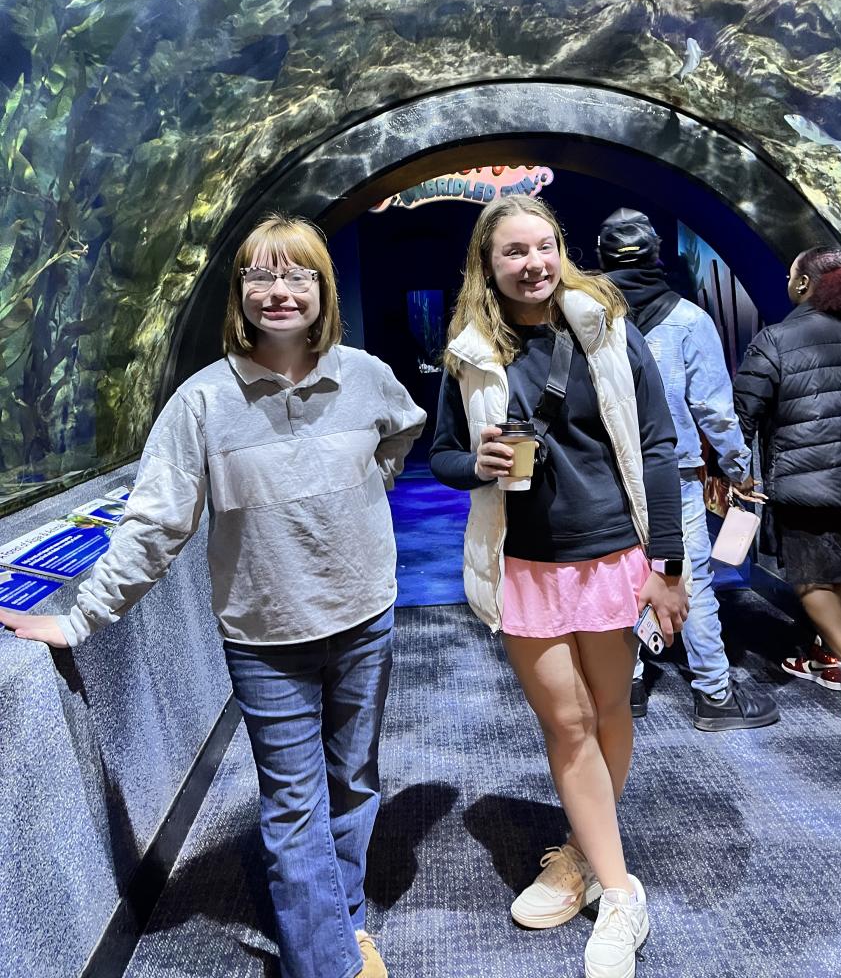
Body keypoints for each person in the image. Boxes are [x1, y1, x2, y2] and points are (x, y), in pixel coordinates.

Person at [0, 213, 426, 978]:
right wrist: (80, 619)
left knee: (354, 781)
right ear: (239, 293)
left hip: (365, 616)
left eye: (297, 273)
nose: (278, 290)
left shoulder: (365, 376)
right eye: (259, 274)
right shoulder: (201, 402)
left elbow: (403, 430)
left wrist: (374, 485)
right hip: (265, 638)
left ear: (324, 288)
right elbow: (154, 525)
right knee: (294, 805)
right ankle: (326, 962)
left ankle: (344, 919)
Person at [429, 194, 689, 978]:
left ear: (561, 249)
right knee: (568, 720)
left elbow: (658, 445)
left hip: (611, 552)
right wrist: (472, 464)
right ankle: (621, 893)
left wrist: (667, 567)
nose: (533, 263)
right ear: (489, 263)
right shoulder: (472, 350)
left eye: (543, 246)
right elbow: (443, 452)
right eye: (514, 251)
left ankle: (581, 857)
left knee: (610, 710)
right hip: (526, 563)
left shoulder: (607, 327)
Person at [597, 208, 779, 732]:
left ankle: (626, 687)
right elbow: (716, 413)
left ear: (603, 254)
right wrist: (739, 469)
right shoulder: (689, 319)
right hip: (674, 475)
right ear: (658, 253)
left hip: (606, 475)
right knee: (689, 579)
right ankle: (714, 694)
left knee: (621, 578)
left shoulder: (587, 315)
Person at [733, 245, 841, 724]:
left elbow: (745, 410)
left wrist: (736, 471)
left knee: (809, 576)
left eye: (791, 274)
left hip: (804, 481)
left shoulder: (776, 340)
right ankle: (825, 656)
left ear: (803, 284)